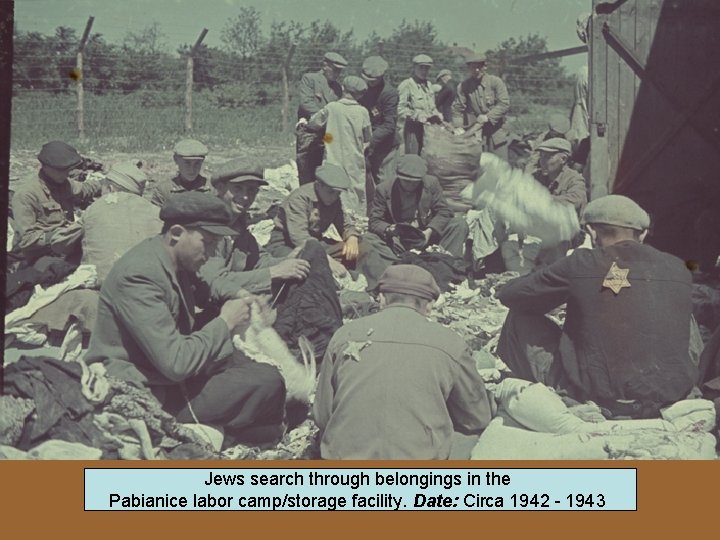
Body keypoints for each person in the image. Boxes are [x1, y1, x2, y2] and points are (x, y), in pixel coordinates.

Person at [86, 191, 287, 446]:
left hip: (163, 374)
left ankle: (242, 431)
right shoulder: (139, 276)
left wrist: (241, 295)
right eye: (208, 242)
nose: (212, 253)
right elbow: (176, 363)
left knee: (260, 373)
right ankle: (236, 436)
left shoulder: (169, 258)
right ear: (177, 233)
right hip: (145, 388)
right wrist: (225, 321)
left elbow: (206, 285)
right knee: (267, 381)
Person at [495, 195, 698, 418]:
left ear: (591, 232)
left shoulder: (582, 262)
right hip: (667, 396)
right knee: (685, 317)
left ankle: (567, 396)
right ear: (643, 233)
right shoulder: (678, 267)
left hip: (601, 399)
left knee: (518, 317)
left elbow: (512, 296)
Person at [313, 264, 493, 459]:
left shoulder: (344, 335)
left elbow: (322, 416)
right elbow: (477, 418)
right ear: (430, 305)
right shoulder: (450, 343)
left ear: (381, 299)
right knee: (471, 438)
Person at [197, 159, 311, 298]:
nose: (245, 196)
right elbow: (215, 282)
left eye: (251, 190)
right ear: (220, 188)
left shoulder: (238, 224)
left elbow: (258, 260)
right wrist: (274, 272)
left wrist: (288, 260)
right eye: (237, 188)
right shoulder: (206, 226)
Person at [357, 154, 468, 289]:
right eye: (406, 181)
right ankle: (396, 270)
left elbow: (444, 212)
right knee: (369, 239)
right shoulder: (384, 189)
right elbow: (374, 221)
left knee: (458, 224)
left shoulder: (431, 184)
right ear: (398, 177)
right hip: (398, 240)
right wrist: (390, 229)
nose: (410, 185)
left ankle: (449, 268)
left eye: (415, 182)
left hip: (426, 236)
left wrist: (429, 231)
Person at [11, 140, 101, 263]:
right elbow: (26, 240)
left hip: (62, 248)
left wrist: (107, 184)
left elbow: (85, 189)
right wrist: (62, 234)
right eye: (61, 170)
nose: (67, 174)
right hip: (35, 255)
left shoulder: (64, 183)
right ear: (46, 167)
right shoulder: (26, 194)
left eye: (68, 169)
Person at [266, 163, 360, 278]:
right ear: (318, 185)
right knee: (302, 266)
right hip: (285, 244)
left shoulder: (333, 200)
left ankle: (367, 284)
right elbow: (299, 237)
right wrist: (327, 260)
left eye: (338, 193)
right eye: (331, 192)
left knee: (361, 248)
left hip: (315, 243)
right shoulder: (299, 198)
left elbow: (345, 224)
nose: (335, 197)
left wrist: (352, 237)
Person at [81, 161, 162, 284]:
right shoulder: (156, 212)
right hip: (147, 286)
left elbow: (60, 243)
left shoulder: (96, 207)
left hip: (103, 288)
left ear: (110, 188)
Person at [308, 75, 372, 217]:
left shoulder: (332, 107)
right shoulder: (363, 112)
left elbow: (314, 123)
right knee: (355, 190)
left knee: (331, 187)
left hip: (333, 156)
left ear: (343, 88)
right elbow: (368, 137)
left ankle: (331, 219)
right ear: (360, 95)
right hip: (355, 159)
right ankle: (357, 221)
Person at [295, 52, 348, 185]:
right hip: (309, 131)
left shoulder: (337, 87)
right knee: (306, 166)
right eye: (335, 69)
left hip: (327, 133)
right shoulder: (310, 79)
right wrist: (326, 117)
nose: (337, 73)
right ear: (325, 66)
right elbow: (306, 103)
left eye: (340, 71)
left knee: (326, 165)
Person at [452, 52, 510, 160]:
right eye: (473, 67)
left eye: (479, 67)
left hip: (496, 131)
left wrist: (488, 116)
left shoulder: (496, 82)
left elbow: (504, 104)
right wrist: (458, 127)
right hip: (476, 133)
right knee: (479, 167)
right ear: (468, 68)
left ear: (485, 66)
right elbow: (457, 109)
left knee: (500, 166)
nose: (476, 70)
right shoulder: (464, 86)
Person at [358, 55, 400, 186]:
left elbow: (389, 125)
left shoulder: (389, 93)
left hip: (385, 145)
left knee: (384, 182)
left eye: (373, 80)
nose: (370, 83)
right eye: (367, 79)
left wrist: (369, 141)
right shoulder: (361, 89)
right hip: (365, 143)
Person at [397, 54, 444, 155]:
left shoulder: (429, 85)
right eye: (421, 68)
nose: (424, 71)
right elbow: (400, 109)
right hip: (413, 129)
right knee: (413, 160)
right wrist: (416, 116)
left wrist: (437, 114)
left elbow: (432, 107)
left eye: (426, 68)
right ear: (414, 68)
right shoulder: (406, 85)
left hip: (429, 130)